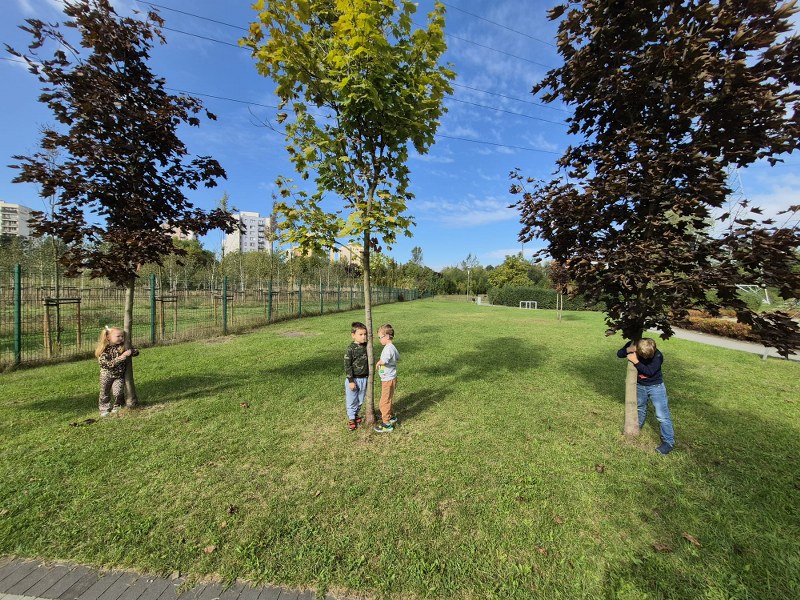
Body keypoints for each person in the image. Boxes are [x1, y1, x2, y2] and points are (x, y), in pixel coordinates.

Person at [618, 338, 675, 454]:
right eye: (642, 356)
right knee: (640, 408)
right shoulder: (634, 345)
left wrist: (635, 361)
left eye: (648, 357)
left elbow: (649, 371)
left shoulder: (658, 356)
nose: (645, 358)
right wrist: (628, 350)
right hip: (640, 386)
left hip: (656, 387)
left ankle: (668, 441)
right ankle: (636, 429)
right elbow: (619, 354)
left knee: (662, 415)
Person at [95, 326, 138, 417]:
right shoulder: (104, 350)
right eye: (118, 336)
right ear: (108, 337)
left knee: (118, 392)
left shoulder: (122, 346)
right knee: (104, 392)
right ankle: (104, 409)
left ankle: (118, 405)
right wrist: (121, 357)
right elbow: (106, 364)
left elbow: (136, 352)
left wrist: (131, 351)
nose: (121, 338)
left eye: (122, 336)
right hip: (106, 375)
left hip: (119, 375)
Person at [374, 323, 400, 433]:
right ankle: (391, 416)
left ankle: (386, 424)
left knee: (383, 402)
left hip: (388, 380)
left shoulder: (388, 349)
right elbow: (397, 357)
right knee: (388, 399)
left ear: (387, 336)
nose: (379, 339)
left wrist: (379, 362)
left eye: (380, 337)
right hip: (391, 378)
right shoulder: (392, 347)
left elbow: (384, 361)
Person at [343, 321, 369, 431]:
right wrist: (351, 381)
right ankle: (351, 419)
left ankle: (356, 415)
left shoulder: (367, 346)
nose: (364, 337)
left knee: (360, 399)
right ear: (353, 335)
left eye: (365, 334)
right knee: (352, 400)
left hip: (364, 378)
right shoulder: (350, 349)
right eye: (361, 334)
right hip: (354, 379)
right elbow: (347, 366)